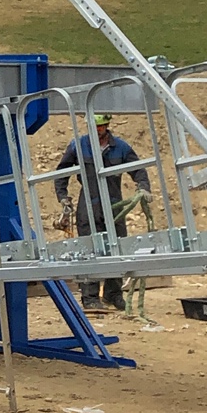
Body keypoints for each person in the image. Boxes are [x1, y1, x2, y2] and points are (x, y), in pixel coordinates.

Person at [53, 114, 151, 311]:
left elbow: (138, 169)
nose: (98, 130)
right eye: (95, 127)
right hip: (88, 205)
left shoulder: (121, 147)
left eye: (101, 127)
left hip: (114, 205)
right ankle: (90, 297)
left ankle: (112, 293)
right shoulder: (79, 146)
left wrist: (143, 187)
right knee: (89, 249)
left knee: (117, 248)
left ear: (107, 126)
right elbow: (61, 172)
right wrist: (63, 197)